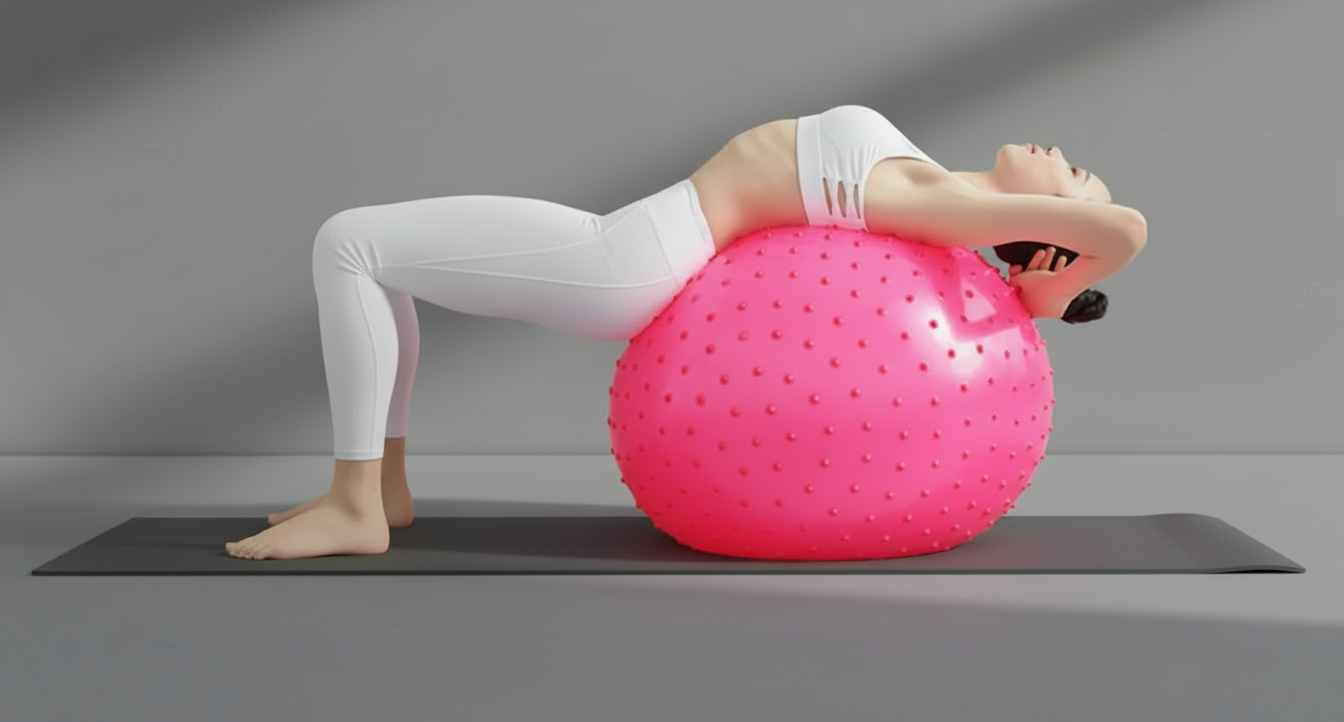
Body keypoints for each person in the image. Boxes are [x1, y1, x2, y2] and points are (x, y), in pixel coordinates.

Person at [224, 104, 1147, 561]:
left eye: (1078, 177)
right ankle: (377, 492)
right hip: (637, 238)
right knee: (365, 253)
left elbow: (1129, 232)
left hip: (628, 259)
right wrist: (1051, 274)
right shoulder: (937, 185)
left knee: (348, 245)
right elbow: (1095, 235)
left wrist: (1060, 282)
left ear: (1051, 224)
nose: (1068, 158)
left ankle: (355, 505)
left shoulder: (940, 205)